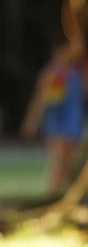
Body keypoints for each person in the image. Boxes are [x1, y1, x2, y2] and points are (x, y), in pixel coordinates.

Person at [22, 34, 86, 195]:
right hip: (59, 123)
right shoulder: (53, 72)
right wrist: (32, 120)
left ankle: (60, 195)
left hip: (75, 122)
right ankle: (51, 195)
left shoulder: (78, 71)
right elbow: (40, 99)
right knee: (60, 164)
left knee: (71, 165)